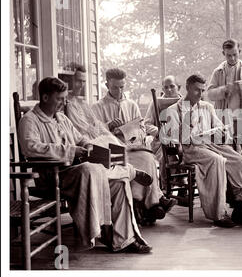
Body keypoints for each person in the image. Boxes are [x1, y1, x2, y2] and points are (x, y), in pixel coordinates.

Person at [18, 77, 151, 253]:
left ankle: (123, 239)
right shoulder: (29, 120)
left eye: (65, 98)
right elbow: (31, 148)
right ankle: (128, 171)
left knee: (118, 184)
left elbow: (80, 138)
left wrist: (88, 145)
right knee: (91, 168)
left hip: (78, 172)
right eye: (59, 98)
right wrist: (72, 151)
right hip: (53, 175)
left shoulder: (62, 118)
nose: (63, 102)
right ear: (45, 97)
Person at [69, 66, 175, 224]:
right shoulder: (97, 107)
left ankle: (144, 206)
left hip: (132, 146)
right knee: (141, 161)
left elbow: (142, 129)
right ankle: (153, 203)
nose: (119, 91)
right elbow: (95, 134)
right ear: (107, 85)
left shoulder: (131, 105)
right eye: (115, 87)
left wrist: (130, 133)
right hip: (111, 151)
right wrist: (110, 126)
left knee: (147, 157)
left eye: (122, 87)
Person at [163, 74, 242, 228]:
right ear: (188, 88)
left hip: (213, 145)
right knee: (217, 160)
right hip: (191, 149)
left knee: (241, 161)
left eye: (202, 90)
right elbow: (174, 138)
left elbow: (218, 127)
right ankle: (218, 213)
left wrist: (222, 132)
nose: (200, 94)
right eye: (197, 90)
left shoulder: (207, 107)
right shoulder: (174, 110)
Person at [144, 75, 183, 190]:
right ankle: (167, 186)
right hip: (162, 142)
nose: (169, 90)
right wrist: (159, 131)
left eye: (172, 86)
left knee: (187, 154)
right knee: (168, 157)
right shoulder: (156, 102)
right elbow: (146, 124)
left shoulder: (184, 102)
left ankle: (183, 183)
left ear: (179, 87)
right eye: (166, 87)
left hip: (182, 141)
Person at [207, 39, 242, 117]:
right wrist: (223, 90)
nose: (232, 58)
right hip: (223, 117)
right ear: (223, 53)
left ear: (239, 51)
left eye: (235, 54)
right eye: (228, 55)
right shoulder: (217, 71)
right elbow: (209, 95)